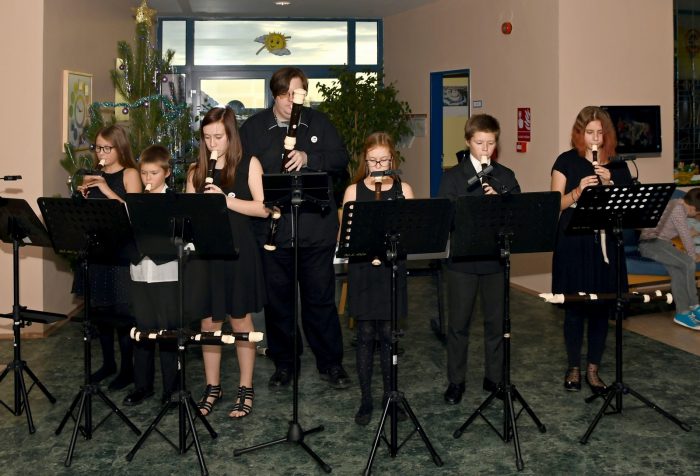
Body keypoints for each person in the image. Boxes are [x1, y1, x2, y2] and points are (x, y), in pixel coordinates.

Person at [239, 66, 351, 390]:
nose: (292, 100)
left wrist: (308, 157)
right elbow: (242, 171)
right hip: (273, 232)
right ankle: (285, 363)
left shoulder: (319, 123)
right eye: (286, 94)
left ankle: (330, 363)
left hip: (315, 230)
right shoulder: (254, 128)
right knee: (278, 304)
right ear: (274, 95)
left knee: (320, 301)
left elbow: (341, 159)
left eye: (298, 94)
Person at [186, 106, 268, 418]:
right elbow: (188, 214)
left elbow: (263, 208)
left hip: (239, 250)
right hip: (207, 253)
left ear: (231, 135)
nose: (212, 143)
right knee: (209, 322)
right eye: (207, 137)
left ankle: (246, 387)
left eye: (218, 137)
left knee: (239, 319)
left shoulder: (249, 164)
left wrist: (225, 200)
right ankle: (213, 386)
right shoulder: (196, 170)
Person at [438, 114, 521, 405]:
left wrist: (501, 201)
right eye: (479, 143)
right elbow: (445, 216)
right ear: (468, 142)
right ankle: (456, 381)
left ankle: (494, 378)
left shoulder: (505, 176)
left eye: (490, 143)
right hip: (462, 260)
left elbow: (518, 214)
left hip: (495, 259)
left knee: (496, 324)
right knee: (458, 324)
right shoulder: (453, 177)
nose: (485, 149)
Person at [551, 106, 633, 394]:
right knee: (575, 308)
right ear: (579, 134)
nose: (595, 138)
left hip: (605, 244)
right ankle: (573, 367)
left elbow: (628, 210)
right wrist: (577, 191)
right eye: (589, 132)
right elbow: (554, 205)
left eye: (600, 132)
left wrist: (610, 184)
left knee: (601, 309)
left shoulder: (618, 167)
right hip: (574, 242)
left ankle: (593, 369)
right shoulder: (566, 161)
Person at [340, 132, 414, 425]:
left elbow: (409, 233)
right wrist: (367, 251)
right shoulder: (353, 191)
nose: (379, 166)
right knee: (365, 335)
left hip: (390, 269)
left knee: (388, 335)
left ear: (392, 160)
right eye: (373, 161)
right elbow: (346, 236)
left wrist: (385, 252)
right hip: (364, 269)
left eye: (384, 160)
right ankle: (366, 400)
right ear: (366, 161)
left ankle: (389, 397)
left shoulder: (403, 190)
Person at [75, 124, 141, 390]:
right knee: (101, 311)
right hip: (98, 251)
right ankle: (108, 363)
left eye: (106, 148)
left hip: (121, 252)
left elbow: (134, 213)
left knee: (122, 314)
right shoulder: (94, 174)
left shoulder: (130, 173)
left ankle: (127, 369)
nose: (100, 153)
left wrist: (106, 189)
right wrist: (82, 196)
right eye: (97, 148)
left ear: (120, 148)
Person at [123, 145, 179, 406]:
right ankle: (142, 386)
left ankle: (171, 388)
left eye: (153, 173)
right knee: (142, 331)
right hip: (139, 271)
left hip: (166, 273)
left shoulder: (174, 201)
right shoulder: (134, 202)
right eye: (144, 173)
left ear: (166, 173)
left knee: (167, 332)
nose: (147, 178)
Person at [638, 188, 700, 330]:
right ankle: (694, 305)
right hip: (651, 244)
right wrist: (693, 255)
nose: (696, 215)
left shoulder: (675, 203)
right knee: (688, 262)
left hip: (661, 244)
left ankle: (682, 313)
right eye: (697, 213)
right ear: (692, 208)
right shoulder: (678, 209)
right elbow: (685, 235)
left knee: (678, 271)